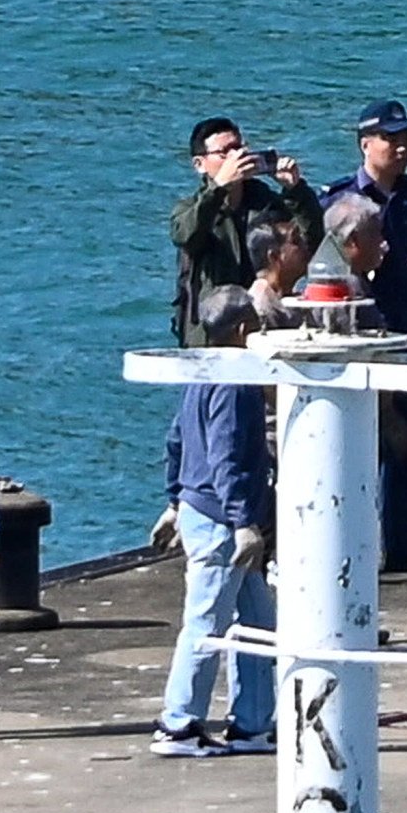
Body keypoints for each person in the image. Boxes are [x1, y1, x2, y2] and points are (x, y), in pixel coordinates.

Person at [151, 288, 277, 759]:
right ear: (244, 329)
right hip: (222, 520)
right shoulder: (235, 379)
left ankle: (252, 724)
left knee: (260, 623)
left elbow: (177, 438)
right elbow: (227, 455)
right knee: (205, 622)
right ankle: (178, 724)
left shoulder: (200, 370)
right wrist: (246, 522)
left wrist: (172, 500)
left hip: (201, 508)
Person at [328, 98, 407, 571]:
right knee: (364, 433)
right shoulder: (341, 199)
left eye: (405, 140)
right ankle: (362, 542)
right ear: (366, 144)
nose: (400, 149)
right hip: (364, 324)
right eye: (390, 139)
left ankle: (406, 541)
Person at [170, 115, 321, 343]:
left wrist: (296, 191)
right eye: (225, 152)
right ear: (200, 165)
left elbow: (311, 243)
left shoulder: (265, 201)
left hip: (265, 326)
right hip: (211, 333)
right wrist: (219, 188)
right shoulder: (191, 209)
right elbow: (186, 235)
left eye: (238, 148)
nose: (236, 157)